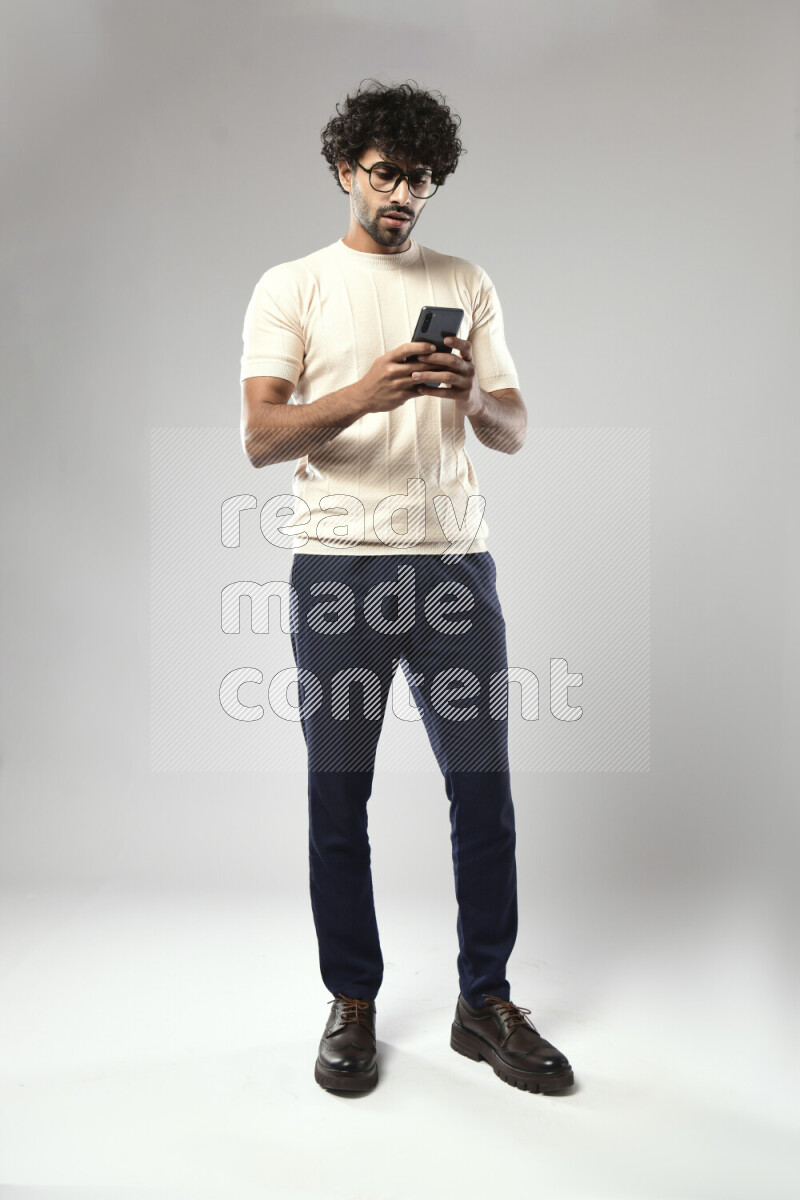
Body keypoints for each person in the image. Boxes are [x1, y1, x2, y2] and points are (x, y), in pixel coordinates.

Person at [239, 79, 574, 1095]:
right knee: (339, 794)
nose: (402, 195)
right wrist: (362, 394)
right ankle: (352, 998)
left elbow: (513, 429)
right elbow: (261, 436)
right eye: (385, 174)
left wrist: (469, 392)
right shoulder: (292, 286)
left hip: (452, 573)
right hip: (337, 572)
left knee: (483, 791)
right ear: (346, 169)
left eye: (421, 179)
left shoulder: (466, 281)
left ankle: (485, 1002)